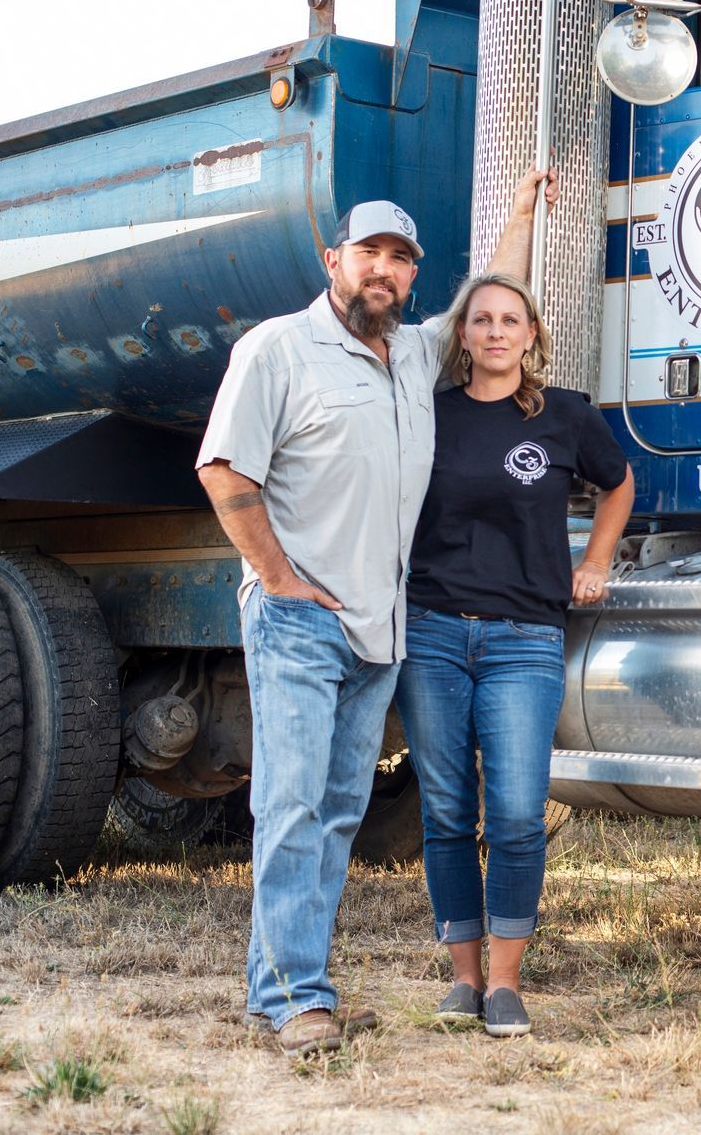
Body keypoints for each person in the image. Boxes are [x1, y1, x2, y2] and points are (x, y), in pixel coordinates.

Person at [196, 171, 554, 1059]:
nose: (383, 272)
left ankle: (278, 988)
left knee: (334, 814)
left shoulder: (419, 356)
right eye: (369, 254)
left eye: (400, 259)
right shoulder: (279, 349)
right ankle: (295, 997)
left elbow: (485, 301)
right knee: (290, 806)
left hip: (379, 631)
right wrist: (276, 577)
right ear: (335, 260)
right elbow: (224, 470)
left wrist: (516, 219)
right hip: (300, 621)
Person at [398, 268, 635, 1037]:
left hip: (524, 638)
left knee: (516, 816)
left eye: (511, 320)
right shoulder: (427, 415)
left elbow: (621, 483)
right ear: (461, 336)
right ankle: (463, 981)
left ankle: (505, 983)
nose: (496, 331)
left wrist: (596, 559)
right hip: (431, 631)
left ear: (532, 335)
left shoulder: (564, 416)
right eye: (481, 320)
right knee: (444, 811)